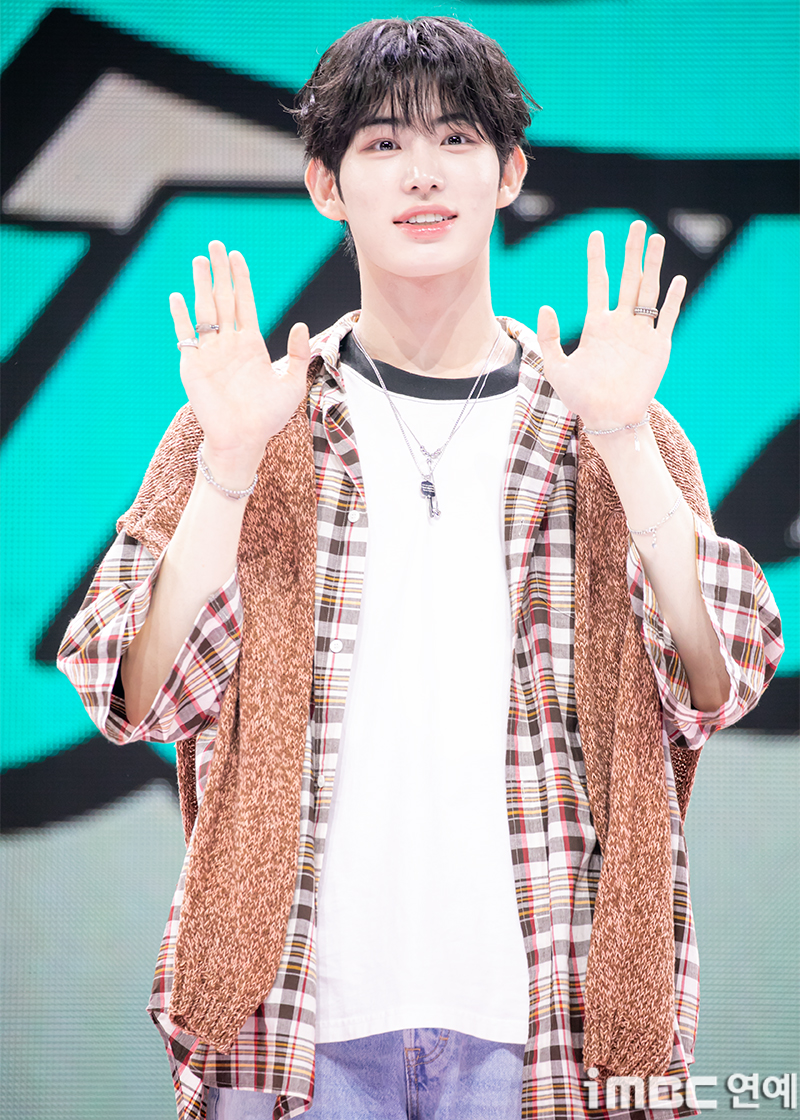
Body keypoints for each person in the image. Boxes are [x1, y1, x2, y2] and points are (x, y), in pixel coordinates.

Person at [57, 16, 783, 1120]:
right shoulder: (250, 423)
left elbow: (721, 678)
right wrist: (227, 471)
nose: (423, 172)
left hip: (553, 1021)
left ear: (510, 174)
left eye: (455, 138)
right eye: (382, 145)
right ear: (326, 185)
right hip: (289, 1020)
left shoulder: (606, 424)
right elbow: (135, 693)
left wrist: (626, 441)